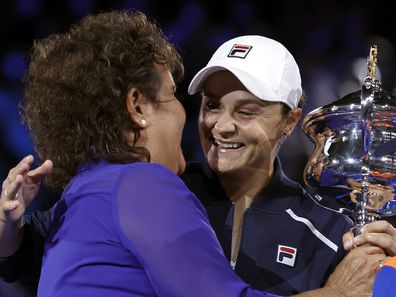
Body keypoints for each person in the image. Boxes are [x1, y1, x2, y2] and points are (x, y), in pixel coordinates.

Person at [0, 20, 388, 297]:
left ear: (291, 118)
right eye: (211, 105)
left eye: (246, 111)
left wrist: (386, 262)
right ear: (136, 105)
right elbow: (27, 254)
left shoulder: (330, 229)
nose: (221, 126)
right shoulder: (150, 187)